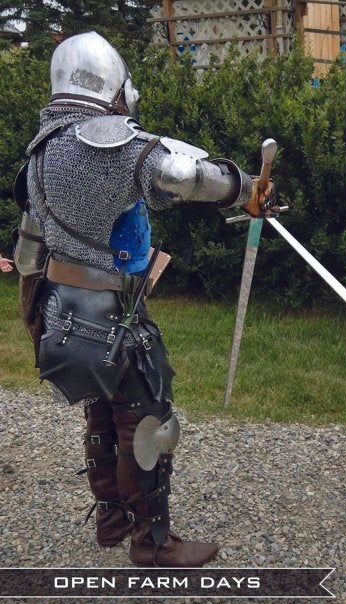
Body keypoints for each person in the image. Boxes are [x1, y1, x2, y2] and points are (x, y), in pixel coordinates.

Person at [13, 32, 275, 567]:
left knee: (102, 412)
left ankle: (111, 517)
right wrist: (246, 186)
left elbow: (27, 249)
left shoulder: (40, 150)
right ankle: (153, 542)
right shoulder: (106, 140)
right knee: (148, 418)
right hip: (112, 315)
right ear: (110, 85)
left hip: (62, 312)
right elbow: (182, 173)